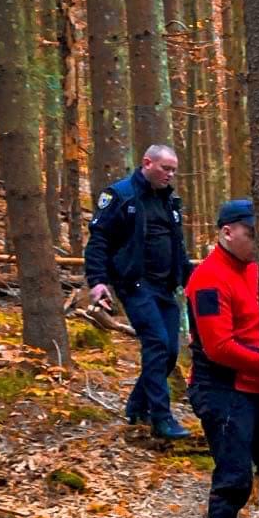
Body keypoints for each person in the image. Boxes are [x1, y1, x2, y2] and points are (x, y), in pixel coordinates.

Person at [184, 200, 259, 518]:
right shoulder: (208, 280)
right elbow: (219, 347)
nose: (257, 242)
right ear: (227, 232)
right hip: (222, 387)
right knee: (234, 477)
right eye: (251, 233)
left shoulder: (256, 269)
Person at [84, 146, 192, 439]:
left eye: (173, 171)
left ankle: (136, 405)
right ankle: (161, 417)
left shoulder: (169, 200)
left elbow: (177, 244)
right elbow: (99, 241)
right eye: (165, 168)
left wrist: (188, 277)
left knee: (170, 350)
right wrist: (98, 282)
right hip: (135, 285)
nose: (170, 175)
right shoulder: (121, 195)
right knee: (157, 343)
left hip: (165, 286)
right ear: (147, 163)